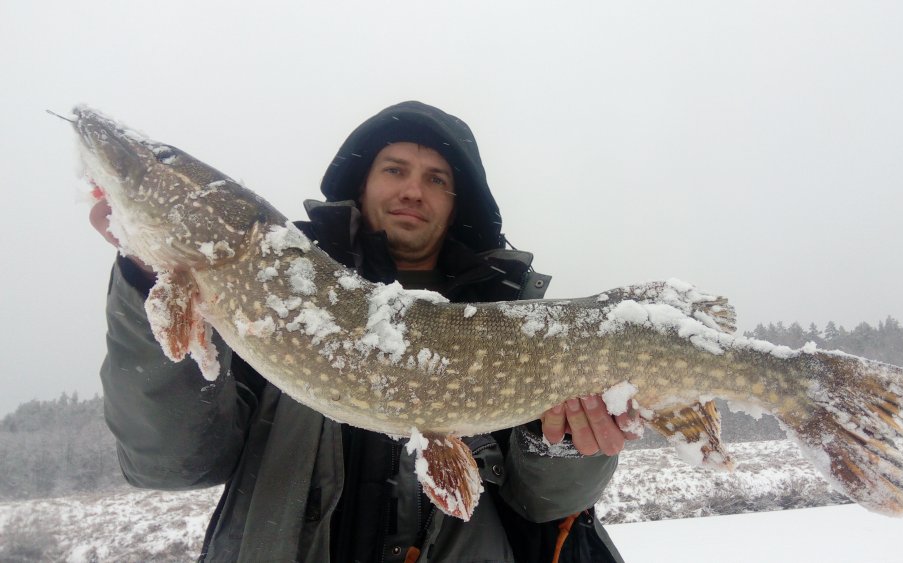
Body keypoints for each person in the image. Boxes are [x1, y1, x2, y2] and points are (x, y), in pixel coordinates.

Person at [92, 101, 632, 562]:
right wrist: (145, 281)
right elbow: (171, 464)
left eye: (436, 179)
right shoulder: (270, 305)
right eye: (395, 169)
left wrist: (565, 446)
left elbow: (544, 505)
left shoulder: (509, 313)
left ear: (457, 204)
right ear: (363, 183)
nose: (413, 190)